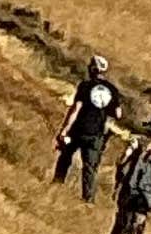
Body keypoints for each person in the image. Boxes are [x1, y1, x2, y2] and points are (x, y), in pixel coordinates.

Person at [51, 54, 122, 201]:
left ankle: (57, 184)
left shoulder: (85, 86)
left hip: (78, 130)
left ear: (93, 69)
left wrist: (64, 129)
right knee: (90, 168)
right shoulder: (113, 90)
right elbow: (118, 114)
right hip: (96, 135)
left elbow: (76, 109)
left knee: (65, 157)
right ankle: (88, 199)